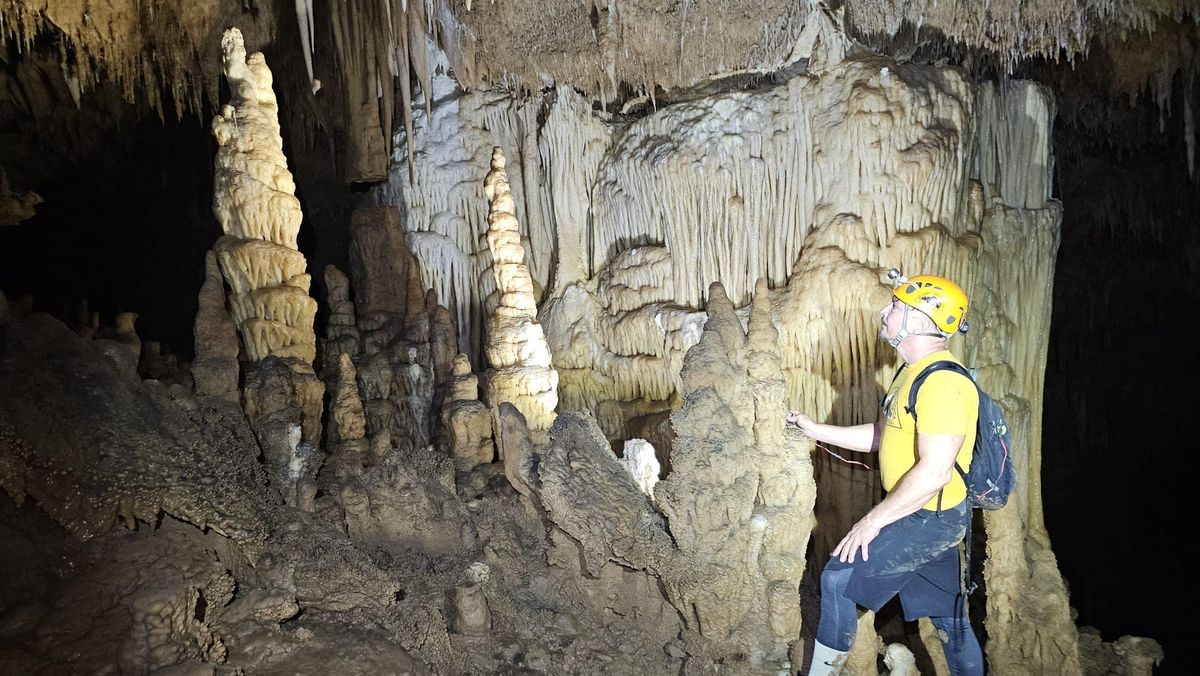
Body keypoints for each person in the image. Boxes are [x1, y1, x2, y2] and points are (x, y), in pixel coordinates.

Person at [786, 272, 984, 676]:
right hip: (919, 513)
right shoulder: (910, 372)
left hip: (929, 516)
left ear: (920, 320)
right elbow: (883, 436)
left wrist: (872, 521)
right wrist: (815, 429)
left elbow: (934, 472)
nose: (885, 311)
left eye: (895, 306)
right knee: (948, 618)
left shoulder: (943, 382)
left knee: (839, 579)